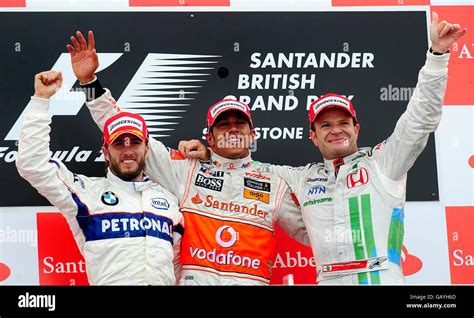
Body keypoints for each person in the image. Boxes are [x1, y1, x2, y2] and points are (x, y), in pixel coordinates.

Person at [169, 12, 465, 285]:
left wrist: (437, 57)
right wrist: (212, 154)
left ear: (356, 128)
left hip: (379, 276)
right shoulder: (300, 176)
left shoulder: (383, 162)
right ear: (313, 136)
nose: (336, 130)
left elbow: (419, 121)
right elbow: (244, 166)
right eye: (325, 125)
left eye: (343, 122)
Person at [67, 30, 309, 285]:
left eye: (240, 123)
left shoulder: (275, 180)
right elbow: (118, 123)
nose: (233, 129)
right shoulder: (186, 169)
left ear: (253, 135)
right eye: (223, 125)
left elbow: (315, 229)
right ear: (210, 137)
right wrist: (89, 83)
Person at [16, 70, 184, 285]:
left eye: (134, 142)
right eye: (118, 143)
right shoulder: (86, 194)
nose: (127, 150)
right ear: (105, 152)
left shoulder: (169, 200)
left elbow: (177, 266)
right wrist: (41, 100)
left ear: (146, 148)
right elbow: (32, 164)